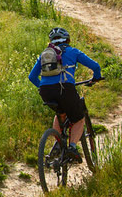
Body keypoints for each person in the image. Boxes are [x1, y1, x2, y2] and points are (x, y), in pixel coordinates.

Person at [28, 27, 103, 163]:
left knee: (60, 113)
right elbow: (96, 66)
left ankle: (57, 144)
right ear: (67, 40)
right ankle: (72, 148)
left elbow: (32, 77)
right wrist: (96, 77)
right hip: (65, 89)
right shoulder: (72, 51)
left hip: (46, 91)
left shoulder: (45, 54)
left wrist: (44, 86)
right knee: (79, 119)